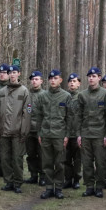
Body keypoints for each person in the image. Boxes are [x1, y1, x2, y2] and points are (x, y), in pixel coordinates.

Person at [32, 69, 71, 199]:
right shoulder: (43, 96)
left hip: (59, 135)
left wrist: (67, 135)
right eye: (51, 79)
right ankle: (49, 187)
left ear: (60, 80)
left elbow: (70, 117)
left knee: (59, 163)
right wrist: (39, 133)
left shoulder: (66, 96)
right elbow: (39, 116)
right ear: (48, 80)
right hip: (46, 135)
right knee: (47, 163)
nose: (53, 81)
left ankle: (58, 188)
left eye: (56, 78)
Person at [0, 65, 31, 193]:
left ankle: (18, 183)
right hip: (4, 131)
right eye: (10, 72)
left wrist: (24, 131)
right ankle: (8, 181)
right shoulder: (2, 91)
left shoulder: (24, 91)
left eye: (14, 72)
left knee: (17, 158)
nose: (12, 74)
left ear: (19, 74)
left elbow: (27, 113)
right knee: (5, 158)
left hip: (18, 132)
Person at [75, 67, 106, 197]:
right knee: (87, 162)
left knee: (100, 162)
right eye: (89, 76)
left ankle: (100, 186)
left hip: (100, 135)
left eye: (94, 76)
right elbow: (78, 116)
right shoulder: (82, 95)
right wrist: (79, 134)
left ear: (99, 78)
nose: (91, 78)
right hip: (86, 134)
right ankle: (89, 186)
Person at [24, 71, 45, 185]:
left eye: (36, 79)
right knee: (31, 154)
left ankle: (43, 176)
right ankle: (33, 175)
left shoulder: (44, 95)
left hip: (40, 130)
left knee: (42, 154)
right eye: (32, 79)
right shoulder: (26, 94)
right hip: (28, 130)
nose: (34, 81)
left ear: (41, 81)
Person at [64, 73, 82, 188]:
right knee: (66, 158)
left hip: (77, 133)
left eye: (74, 81)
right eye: (70, 81)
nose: (72, 83)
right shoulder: (64, 97)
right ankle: (67, 179)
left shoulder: (82, 97)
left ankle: (76, 180)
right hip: (65, 133)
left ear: (79, 83)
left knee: (78, 159)